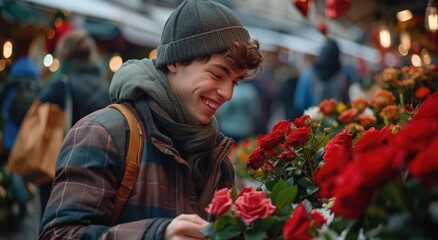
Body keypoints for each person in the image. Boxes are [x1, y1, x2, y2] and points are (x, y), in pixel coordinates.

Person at [39, 0, 263, 239]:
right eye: (217, 74)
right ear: (175, 61)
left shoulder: (217, 158)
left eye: (235, 82)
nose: (228, 94)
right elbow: (59, 234)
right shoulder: (103, 134)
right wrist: (158, 234)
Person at [36, 29, 111, 219]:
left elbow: (37, 109)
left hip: (62, 163)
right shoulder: (106, 86)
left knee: (54, 221)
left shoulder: (62, 83)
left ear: (65, 54)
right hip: (100, 166)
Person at [0, 56, 41, 221]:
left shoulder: (11, 85)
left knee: (14, 169)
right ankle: (26, 197)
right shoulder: (37, 86)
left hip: (12, 136)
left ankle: (22, 201)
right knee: (26, 169)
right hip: (31, 137)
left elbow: (3, 109)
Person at [293, 38, 352, 115]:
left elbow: (300, 103)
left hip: (312, 120)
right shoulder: (345, 75)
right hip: (337, 121)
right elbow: (348, 101)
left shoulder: (308, 74)